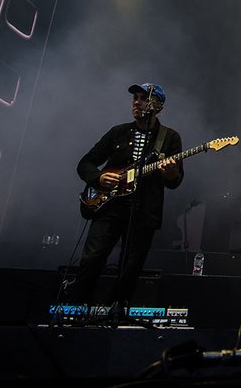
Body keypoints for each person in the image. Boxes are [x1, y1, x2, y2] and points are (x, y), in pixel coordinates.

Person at [67, 82, 183, 308]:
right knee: (92, 258)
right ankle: (77, 308)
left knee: (131, 265)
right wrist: (99, 178)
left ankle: (115, 310)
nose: (137, 102)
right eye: (135, 98)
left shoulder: (170, 138)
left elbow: (176, 181)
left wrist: (170, 173)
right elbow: (86, 163)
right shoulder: (118, 132)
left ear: (158, 106)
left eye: (143, 98)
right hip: (109, 207)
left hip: (143, 210)